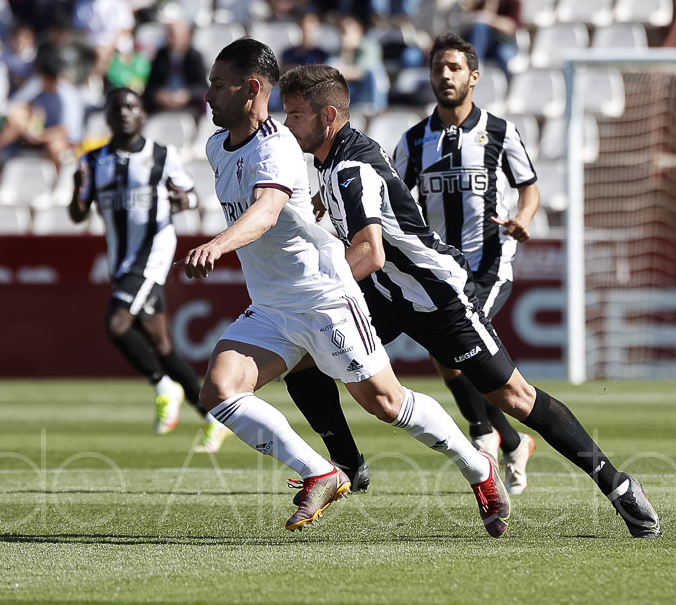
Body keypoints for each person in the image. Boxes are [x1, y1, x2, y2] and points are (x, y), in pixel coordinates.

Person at [278, 63, 660, 538]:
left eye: (295, 114)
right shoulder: (334, 160)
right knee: (303, 361)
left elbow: (370, 252)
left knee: (514, 397)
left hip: (438, 294)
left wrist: (314, 296)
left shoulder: (350, 166)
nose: (286, 124)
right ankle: (347, 465)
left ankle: (618, 485)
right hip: (391, 293)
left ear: (328, 116)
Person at [184, 38, 508, 535]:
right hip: (273, 307)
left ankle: (477, 467)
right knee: (220, 390)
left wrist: (219, 244)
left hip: (326, 298)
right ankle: (320, 471)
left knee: (387, 405)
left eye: (217, 85)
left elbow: (267, 211)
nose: (207, 95)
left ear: (251, 89)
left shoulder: (279, 146)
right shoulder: (215, 147)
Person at [388, 33, 539, 493]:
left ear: (474, 76)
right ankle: (511, 441)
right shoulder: (414, 140)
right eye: (438, 68)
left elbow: (528, 186)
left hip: (489, 261)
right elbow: (389, 194)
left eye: (454, 68)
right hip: (441, 268)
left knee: (456, 353)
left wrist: (524, 218)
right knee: (452, 358)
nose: (445, 75)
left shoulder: (500, 131)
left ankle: (483, 436)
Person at [69, 88, 224, 447]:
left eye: (132, 107)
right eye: (116, 108)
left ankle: (161, 384)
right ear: (107, 117)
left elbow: (192, 196)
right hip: (120, 262)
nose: (124, 113)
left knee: (116, 324)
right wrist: (76, 195)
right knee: (162, 344)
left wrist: (183, 199)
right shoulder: (93, 161)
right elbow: (78, 214)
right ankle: (214, 418)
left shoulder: (162, 155)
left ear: (143, 115)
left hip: (152, 256)